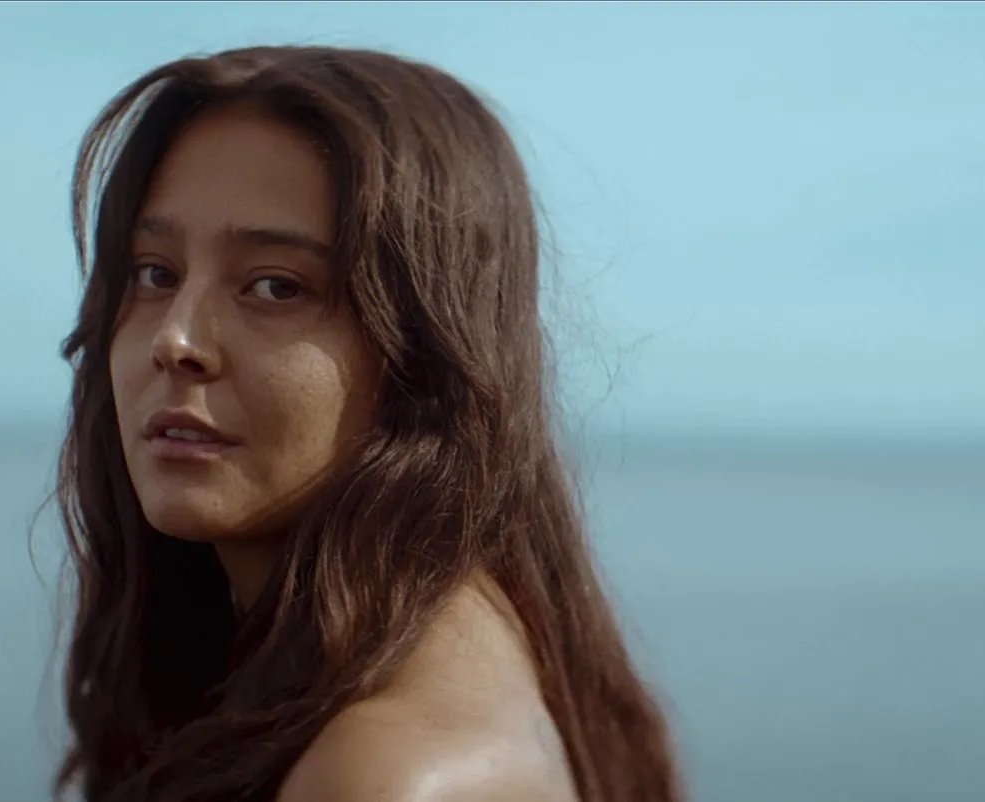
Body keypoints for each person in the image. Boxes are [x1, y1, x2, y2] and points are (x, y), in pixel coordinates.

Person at [50, 45, 681, 802]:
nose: (175, 339)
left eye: (275, 287)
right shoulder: (443, 634)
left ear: (426, 350)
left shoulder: (381, 777)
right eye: (155, 273)